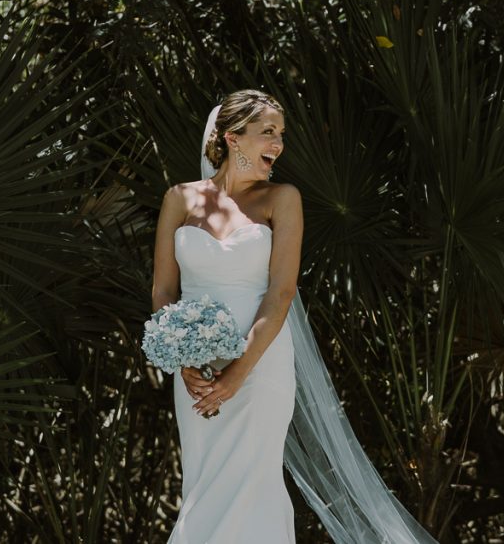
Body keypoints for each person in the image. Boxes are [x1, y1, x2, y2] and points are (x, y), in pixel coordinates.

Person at [151, 90, 439, 544]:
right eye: (268, 132)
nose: (279, 144)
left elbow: (282, 292)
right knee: (203, 485)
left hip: (260, 366)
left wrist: (238, 372)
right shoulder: (179, 199)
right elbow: (164, 291)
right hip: (196, 375)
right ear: (232, 138)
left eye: (281, 134)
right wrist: (182, 361)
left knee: (252, 485)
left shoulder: (282, 199)